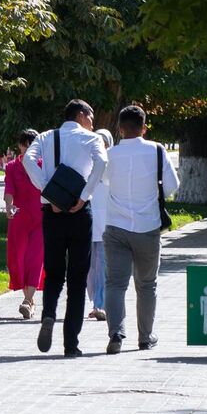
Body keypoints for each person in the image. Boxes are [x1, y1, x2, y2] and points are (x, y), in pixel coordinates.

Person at [20, 99, 108, 357]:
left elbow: (28, 159)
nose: (92, 122)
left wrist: (47, 189)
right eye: (91, 116)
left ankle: (48, 315)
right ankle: (71, 343)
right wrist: (84, 194)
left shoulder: (47, 136)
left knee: (55, 271)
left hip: (52, 211)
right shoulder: (91, 139)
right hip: (81, 212)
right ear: (81, 115)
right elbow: (101, 164)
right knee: (78, 278)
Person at [101, 105, 180, 352]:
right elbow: (171, 186)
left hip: (116, 227)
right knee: (146, 284)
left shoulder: (110, 154)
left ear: (120, 128)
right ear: (144, 128)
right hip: (148, 228)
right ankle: (145, 337)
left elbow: (104, 181)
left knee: (115, 283)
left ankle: (116, 333)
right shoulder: (157, 151)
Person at [3, 129, 44, 319]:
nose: (28, 149)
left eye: (32, 145)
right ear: (20, 146)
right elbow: (9, 190)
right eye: (25, 144)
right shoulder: (12, 167)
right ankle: (29, 299)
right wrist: (9, 206)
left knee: (35, 259)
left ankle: (27, 301)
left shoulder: (43, 166)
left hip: (40, 218)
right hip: (19, 219)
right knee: (19, 259)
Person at [86, 128, 114, 322]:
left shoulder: (112, 166)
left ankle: (100, 304)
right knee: (89, 269)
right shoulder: (87, 166)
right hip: (87, 224)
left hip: (106, 226)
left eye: (104, 142)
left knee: (103, 265)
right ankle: (94, 302)